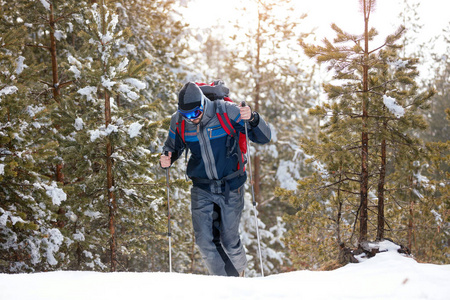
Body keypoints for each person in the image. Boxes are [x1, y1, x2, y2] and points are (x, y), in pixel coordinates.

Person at [160, 81, 271, 277]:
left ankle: (241, 273)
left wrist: (252, 118)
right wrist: (167, 157)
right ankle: (226, 285)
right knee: (204, 241)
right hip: (201, 186)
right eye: (186, 115)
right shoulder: (179, 121)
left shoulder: (226, 111)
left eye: (194, 114)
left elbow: (264, 137)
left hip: (231, 185)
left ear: (203, 104)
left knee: (229, 240)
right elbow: (173, 146)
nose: (191, 119)